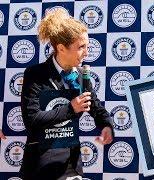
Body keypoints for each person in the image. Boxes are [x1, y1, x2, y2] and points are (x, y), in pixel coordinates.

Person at [20, 8, 113, 180]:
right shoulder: (35, 74)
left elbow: (95, 107)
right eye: (81, 47)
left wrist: (106, 125)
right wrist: (71, 108)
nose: (86, 52)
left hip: (72, 168)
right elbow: (32, 120)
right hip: (40, 168)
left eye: (87, 46)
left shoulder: (80, 76)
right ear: (61, 48)